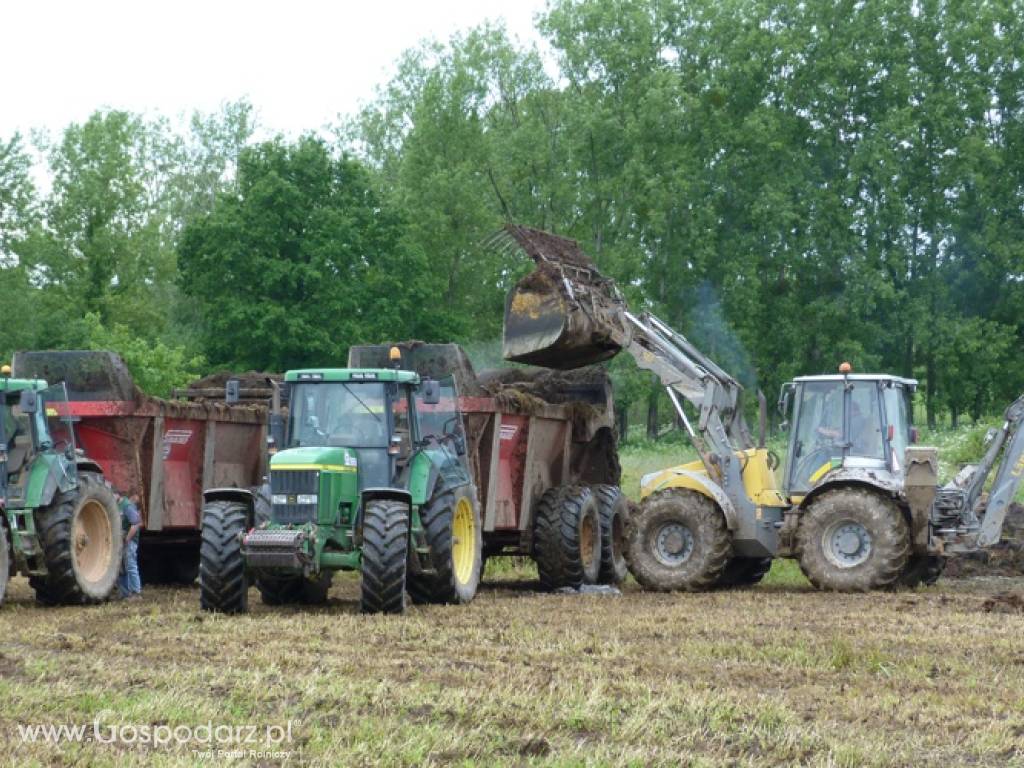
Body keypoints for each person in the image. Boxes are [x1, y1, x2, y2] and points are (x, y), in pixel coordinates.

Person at [118, 492, 142, 599]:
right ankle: (125, 594)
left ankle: (136, 592)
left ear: (118, 495)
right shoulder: (117, 505)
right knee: (121, 567)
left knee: (131, 565)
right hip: (121, 541)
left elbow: (136, 523)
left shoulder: (127, 506)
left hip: (130, 541)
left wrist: (127, 538)